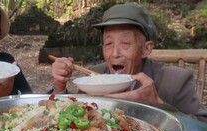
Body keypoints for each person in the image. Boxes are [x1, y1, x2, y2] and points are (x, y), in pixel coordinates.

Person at [51, 3, 207, 122]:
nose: (114, 54)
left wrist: (158, 103)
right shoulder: (95, 78)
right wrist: (60, 86)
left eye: (125, 43)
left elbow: (202, 128)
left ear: (146, 49)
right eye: (108, 44)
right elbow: (69, 117)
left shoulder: (174, 81)